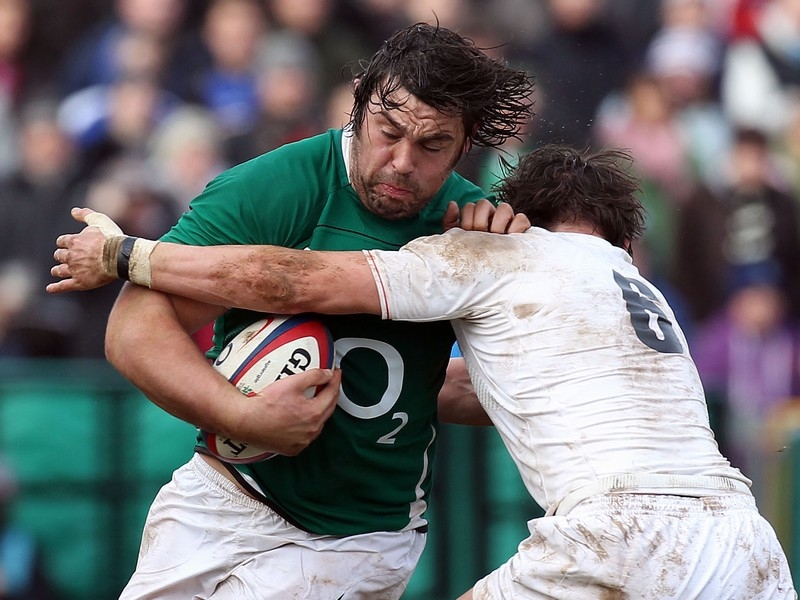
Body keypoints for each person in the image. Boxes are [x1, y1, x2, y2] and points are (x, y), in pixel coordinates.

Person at [51, 143, 797, 598]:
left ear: (523, 221)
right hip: (745, 539)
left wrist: (126, 256)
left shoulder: (505, 253)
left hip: (618, 536)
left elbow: (294, 283)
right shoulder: (646, 298)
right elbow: (499, 390)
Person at [51, 22, 534, 599]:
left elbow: (498, 389)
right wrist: (243, 415)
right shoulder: (275, 188)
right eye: (388, 132)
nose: (403, 161)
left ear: (466, 144)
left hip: (358, 538)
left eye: (432, 146)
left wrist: (517, 270)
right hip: (223, 494)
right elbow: (133, 331)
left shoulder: (475, 228)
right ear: (357, 106)